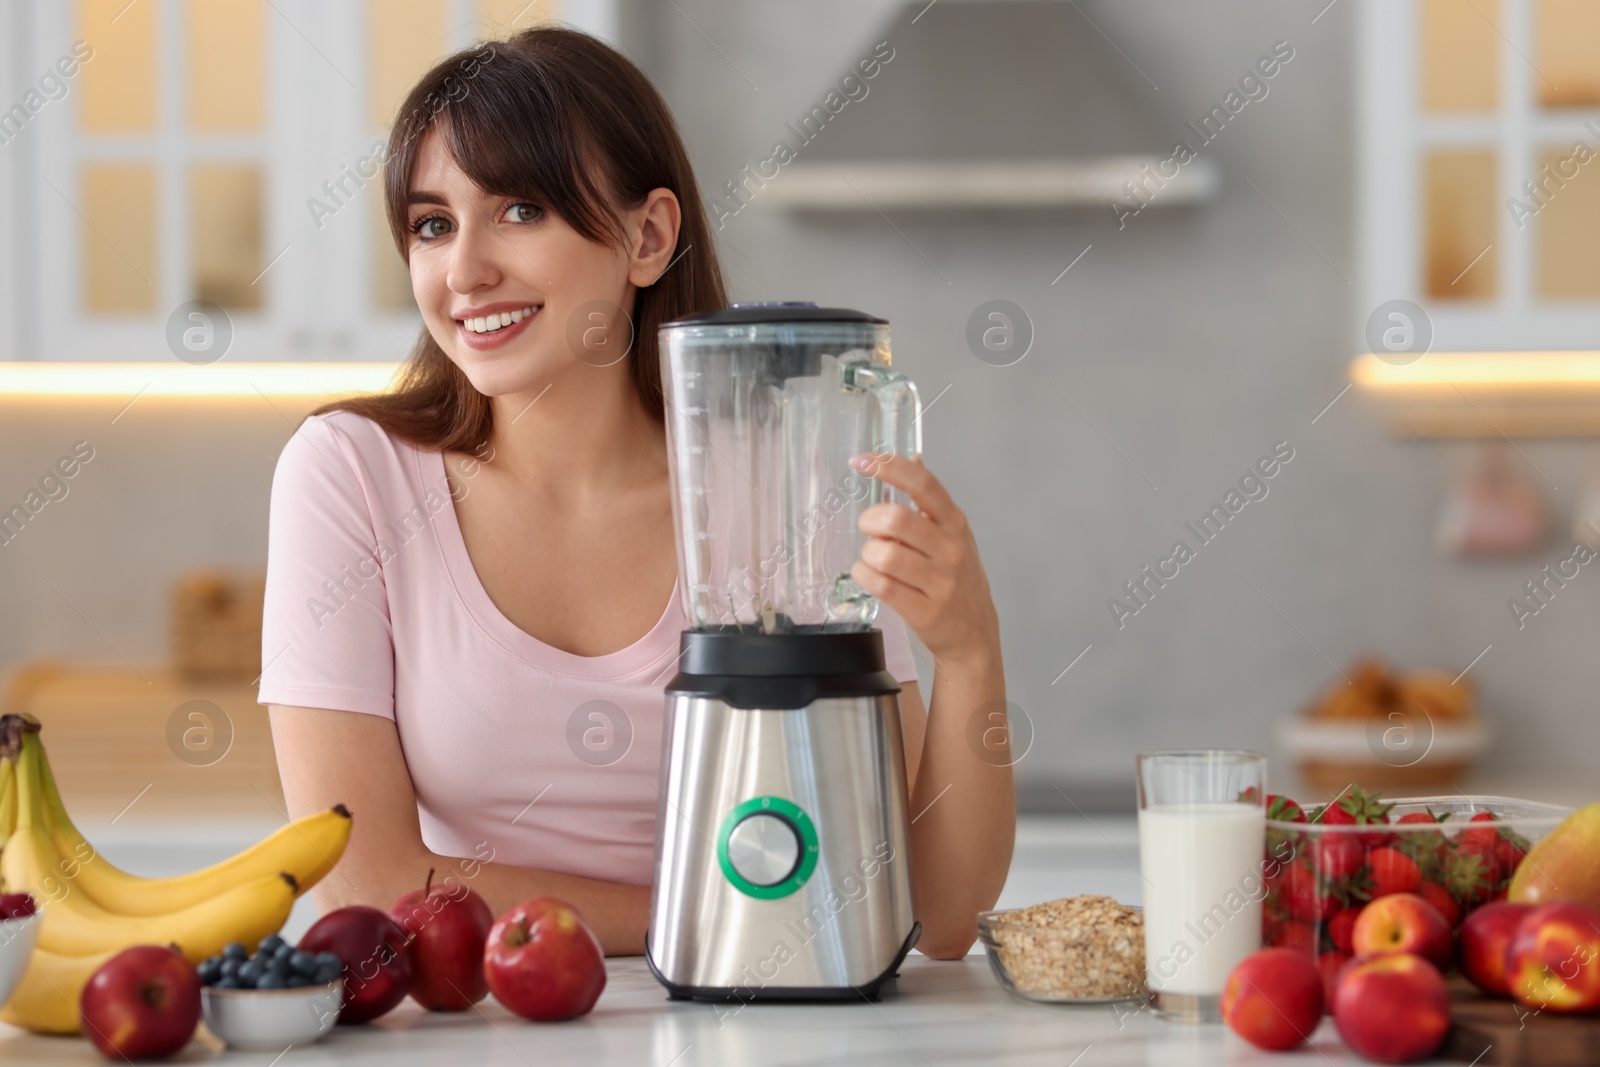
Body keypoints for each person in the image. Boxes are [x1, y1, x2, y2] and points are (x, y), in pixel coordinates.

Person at [261, 25, 1012, 960]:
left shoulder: (778, 484)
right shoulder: (351, 473)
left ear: (647, 236)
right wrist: (724, 919)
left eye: (521, 209)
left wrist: (972, 656)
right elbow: (362, 878)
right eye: (432, 224)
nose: (463, 270)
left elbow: (933, 911)